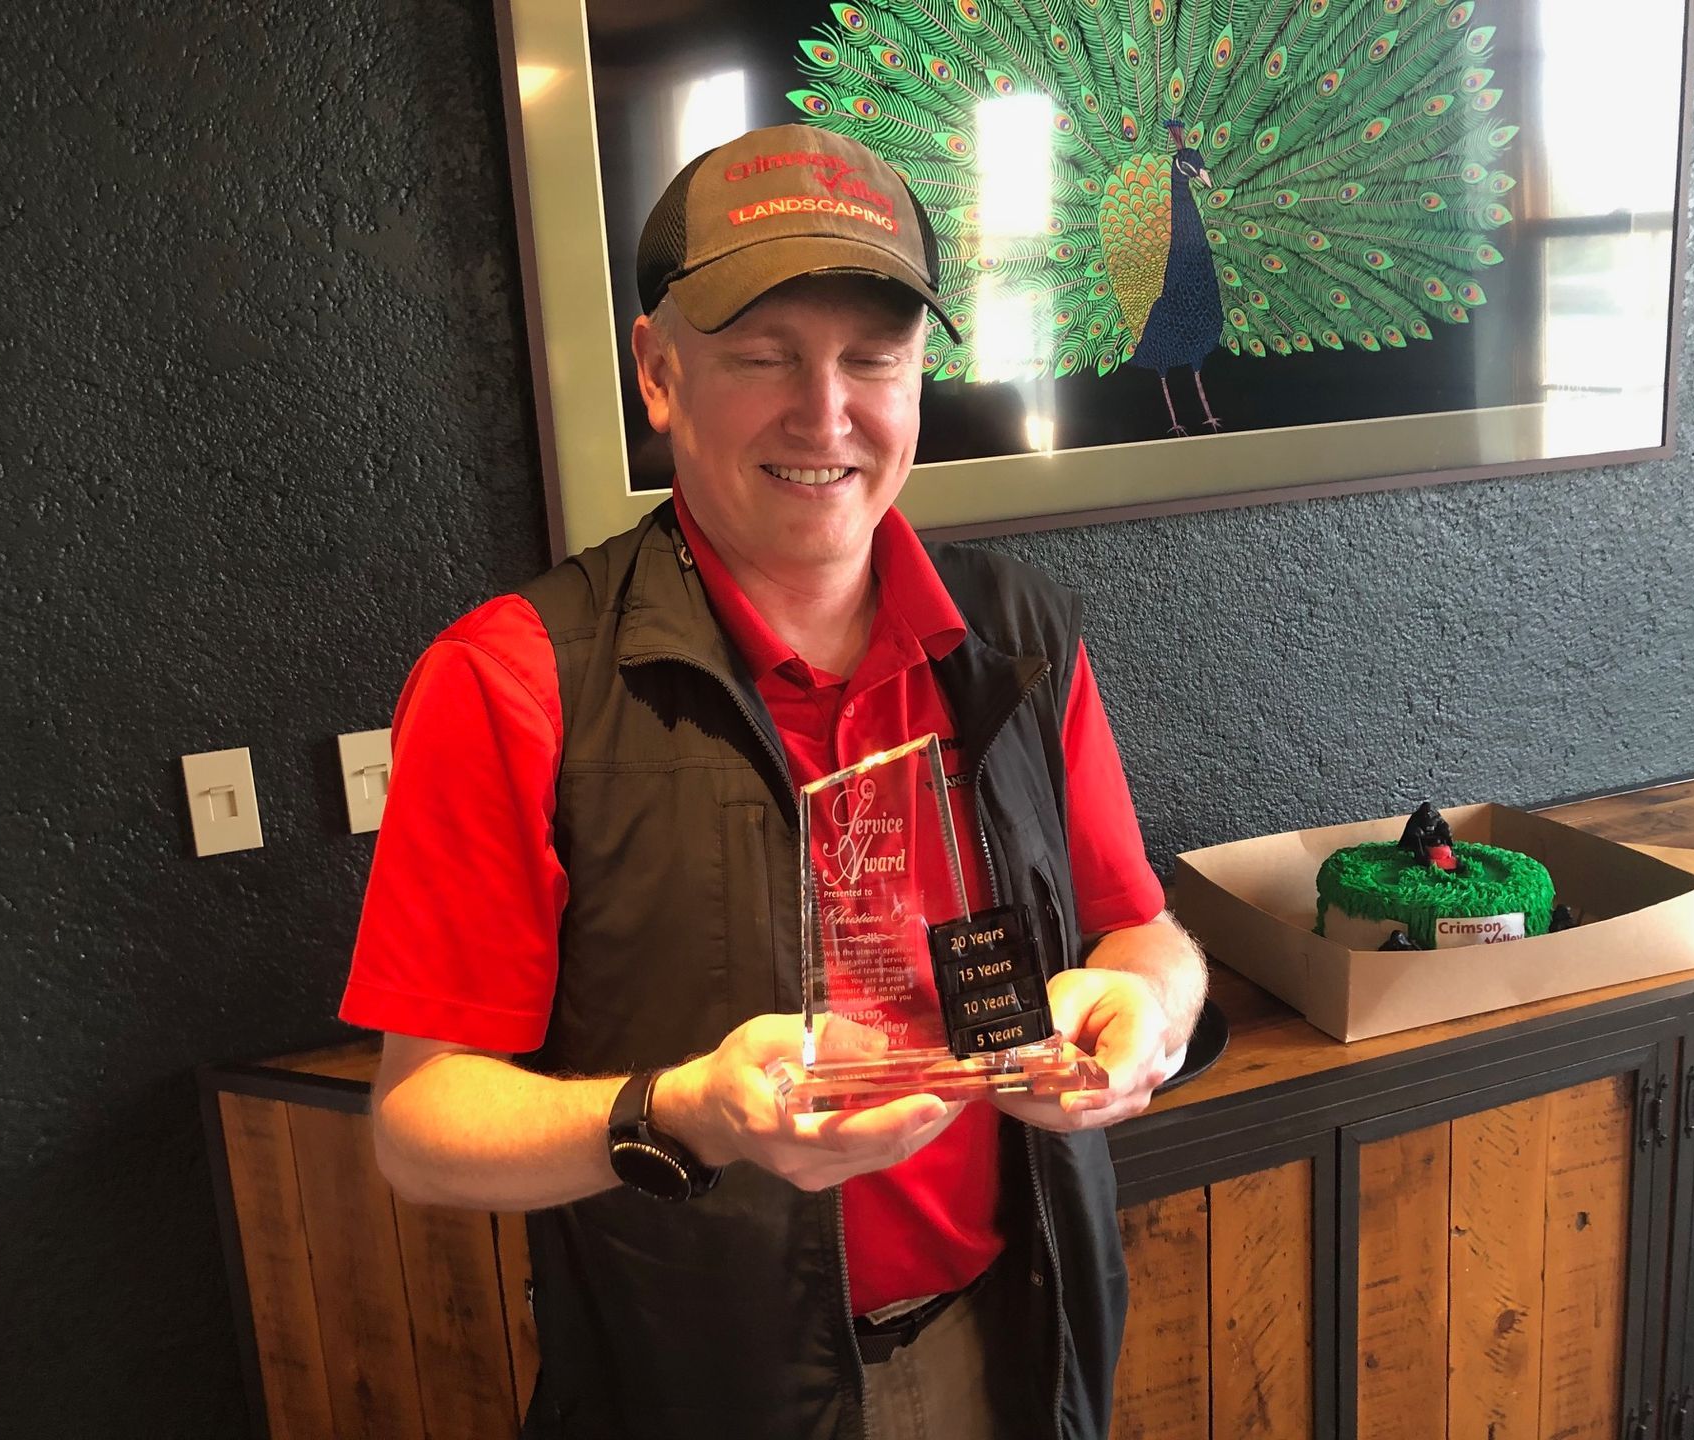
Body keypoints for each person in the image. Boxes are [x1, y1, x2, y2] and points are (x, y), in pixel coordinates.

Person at [340, 122, 1207, 1440]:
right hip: (696, 1395)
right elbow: (419, 1125)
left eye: (876, 360)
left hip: (1016, 1349)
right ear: (658, 372)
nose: (827, 414)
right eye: (762, 359)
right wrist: (687, 1111)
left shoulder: (1018, 639)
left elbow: (1145, 931)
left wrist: (1144, 1011)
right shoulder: (512, 680)